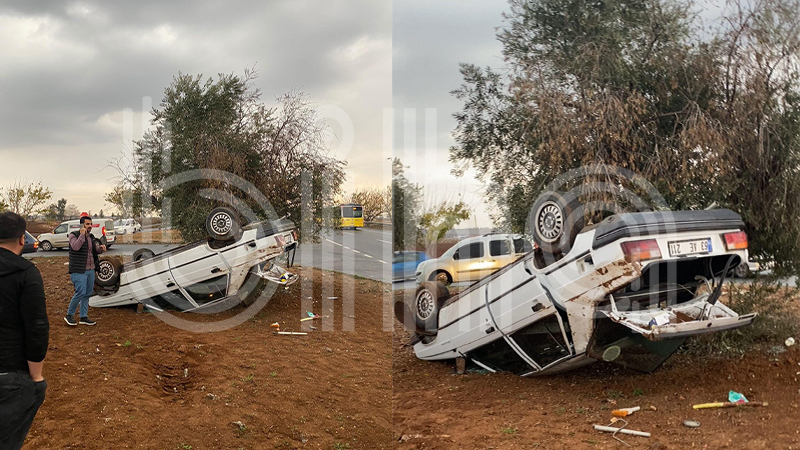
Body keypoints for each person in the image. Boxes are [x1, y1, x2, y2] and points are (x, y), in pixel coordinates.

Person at [0, 211, 49, 449]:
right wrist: (36, 377)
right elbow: (37, 327)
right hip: (12, 375)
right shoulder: (27, 274)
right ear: (22, 239)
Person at [65, 216, 106, 326]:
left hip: (90, 269)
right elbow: (75, 247)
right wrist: (82, 235)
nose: (90, 226)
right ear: (82, 225)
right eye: (87, 224)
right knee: (80, 293)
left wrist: (100, 249)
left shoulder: (91, 237)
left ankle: (83, 317)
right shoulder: (74, 235)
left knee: (87, 293)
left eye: (90, 224)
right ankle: (69, 315)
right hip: (79, 270)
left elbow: (92, 251)